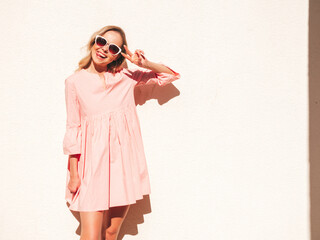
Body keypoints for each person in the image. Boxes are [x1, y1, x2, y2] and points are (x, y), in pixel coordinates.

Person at [62, 25, 180, 240]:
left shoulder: (126, 76)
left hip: (122, 163)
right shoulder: (74, 82)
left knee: (111, 232)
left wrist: (142, 64)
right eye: (101, 41)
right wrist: (74, 173)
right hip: (90, 165)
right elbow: (73, 127)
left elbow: (170, 76)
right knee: (91, 234)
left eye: (113, 47)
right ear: (93, 42)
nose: (104, 49)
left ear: (117, 55)